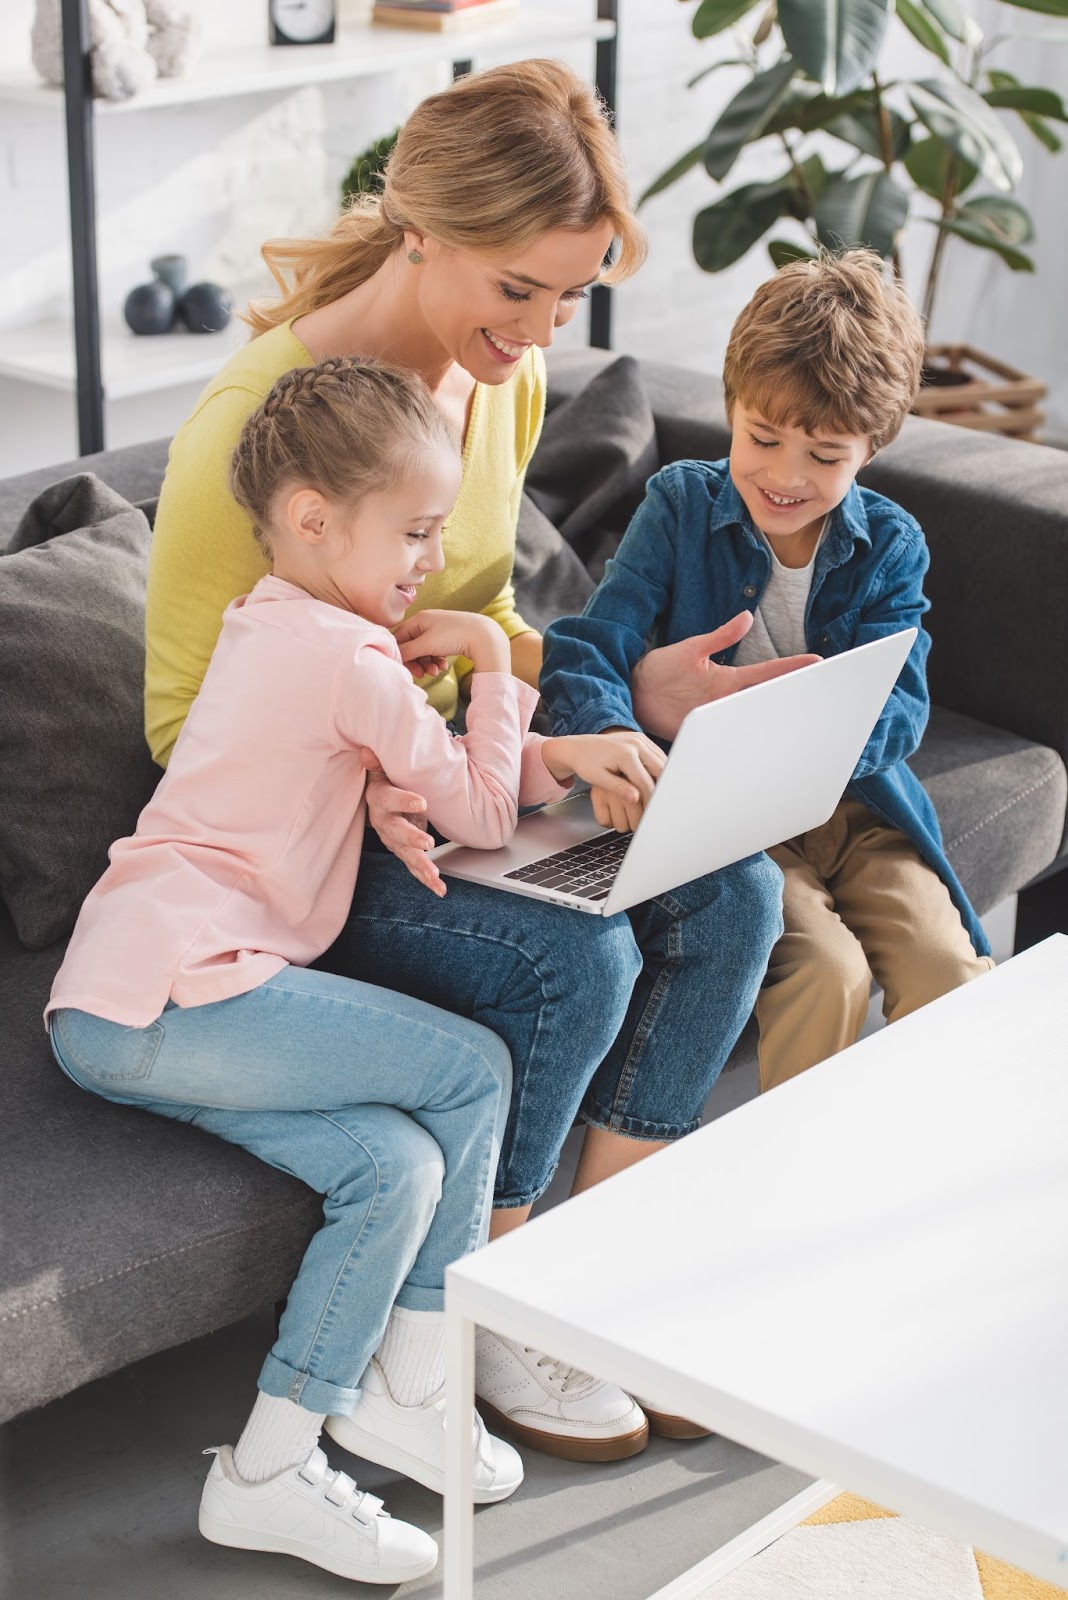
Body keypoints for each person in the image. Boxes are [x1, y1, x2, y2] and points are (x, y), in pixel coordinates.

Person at [142, 57, 786, 1460]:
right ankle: (488, 1322)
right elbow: (184, 725)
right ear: (421, 228)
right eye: (517, 290)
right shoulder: (256, 434)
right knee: (574, 956)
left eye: (573, 292)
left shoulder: (507, 379)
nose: (542, 328)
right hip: (296, 831)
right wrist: (422, 753)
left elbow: (475, 611)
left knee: (736, 892)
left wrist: (610, 695)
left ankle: (595, 1287)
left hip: (447, 766)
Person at [46, 357, 667, 1583]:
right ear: (314, 519)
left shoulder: (285, 629)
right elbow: (479, 808)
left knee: (396, 1162)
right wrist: (496, 658)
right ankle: (413, 1377)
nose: (431, 560)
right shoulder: (350, 660)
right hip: (176, 981)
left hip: (123, 1001)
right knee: (474, 1068)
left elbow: (437, 775)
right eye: (417, 531)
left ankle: (269, 1468)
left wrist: (501, 749)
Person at [541, 249, 994, 1095]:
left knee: (947, 970)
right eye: (763, 438)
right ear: (732, 408)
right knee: (827, 972)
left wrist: (808, 734)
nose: (785, 477)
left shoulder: (892, 544)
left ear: (872, 446)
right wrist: (606, 728)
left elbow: (903, 703)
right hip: (731, 815)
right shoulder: (680, 505)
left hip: (858, 810)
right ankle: (793, 1188)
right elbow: (590, 642)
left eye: (825, 456)